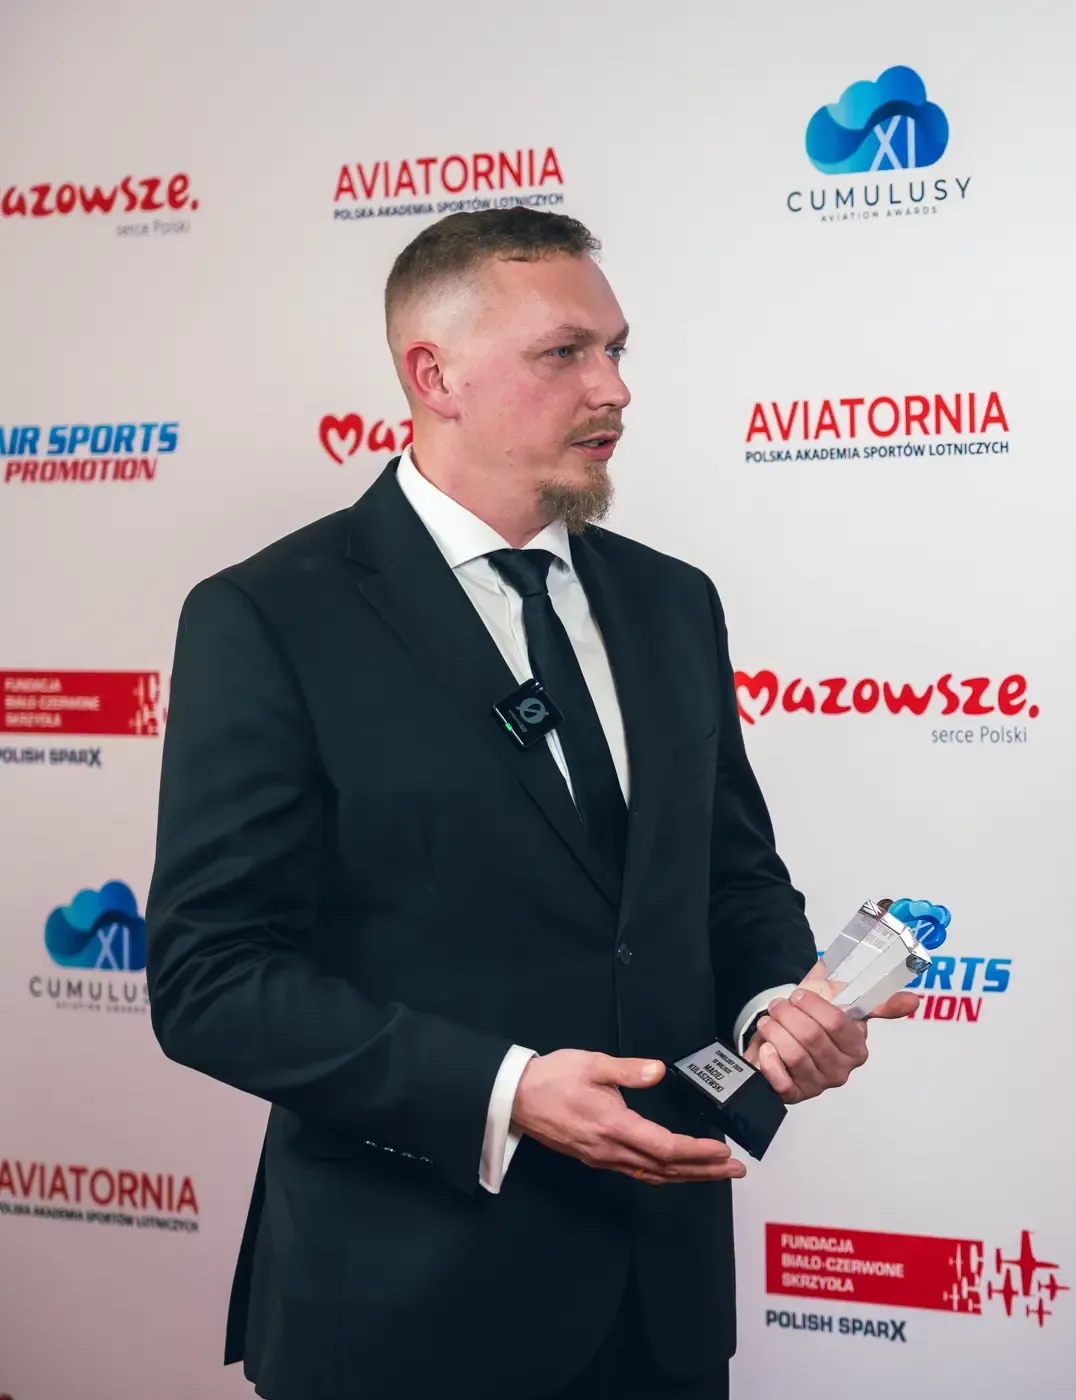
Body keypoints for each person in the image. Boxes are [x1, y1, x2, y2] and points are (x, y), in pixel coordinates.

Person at [144, 208, 913, 1400]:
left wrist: (779, 1003)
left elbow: (730, 875)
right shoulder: (271, 616)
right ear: (433, 375)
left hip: (661, 1309)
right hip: (403, 1316)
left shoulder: (671, 601)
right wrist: (506, 1088)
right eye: (566, 352)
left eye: (617, 349)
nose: (614, 388)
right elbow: (211, 978)